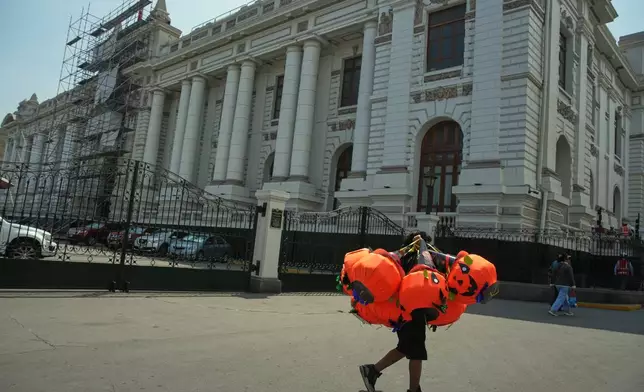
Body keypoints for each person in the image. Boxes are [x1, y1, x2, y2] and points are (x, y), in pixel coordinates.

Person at [359, 231, 430, 392]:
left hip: (402, 312)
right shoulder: (416, 260)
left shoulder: (400, 259)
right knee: (416, 352)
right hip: (411, 312)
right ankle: (413, 390)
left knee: (405, 348)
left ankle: (372, 371)